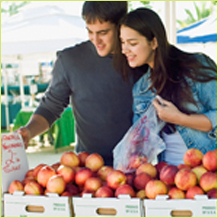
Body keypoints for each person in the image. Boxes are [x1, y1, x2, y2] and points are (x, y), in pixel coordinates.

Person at [17, 1, 144, 166]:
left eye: (103, 32)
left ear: (121, 26)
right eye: (90, 31)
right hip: (87, 169)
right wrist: (29, 131)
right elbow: (50, 106)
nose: (95, 39)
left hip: (136, 168)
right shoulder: (70, 60)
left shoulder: (140, 59)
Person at [114, 8, 217, 166]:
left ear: (154, 42)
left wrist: (180, 119)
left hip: (207, 172)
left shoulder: (197, 67)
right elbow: (140, 143)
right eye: (122, 42)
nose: (124, 50)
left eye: (132, 43)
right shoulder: (140, 89)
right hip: (167, 178)